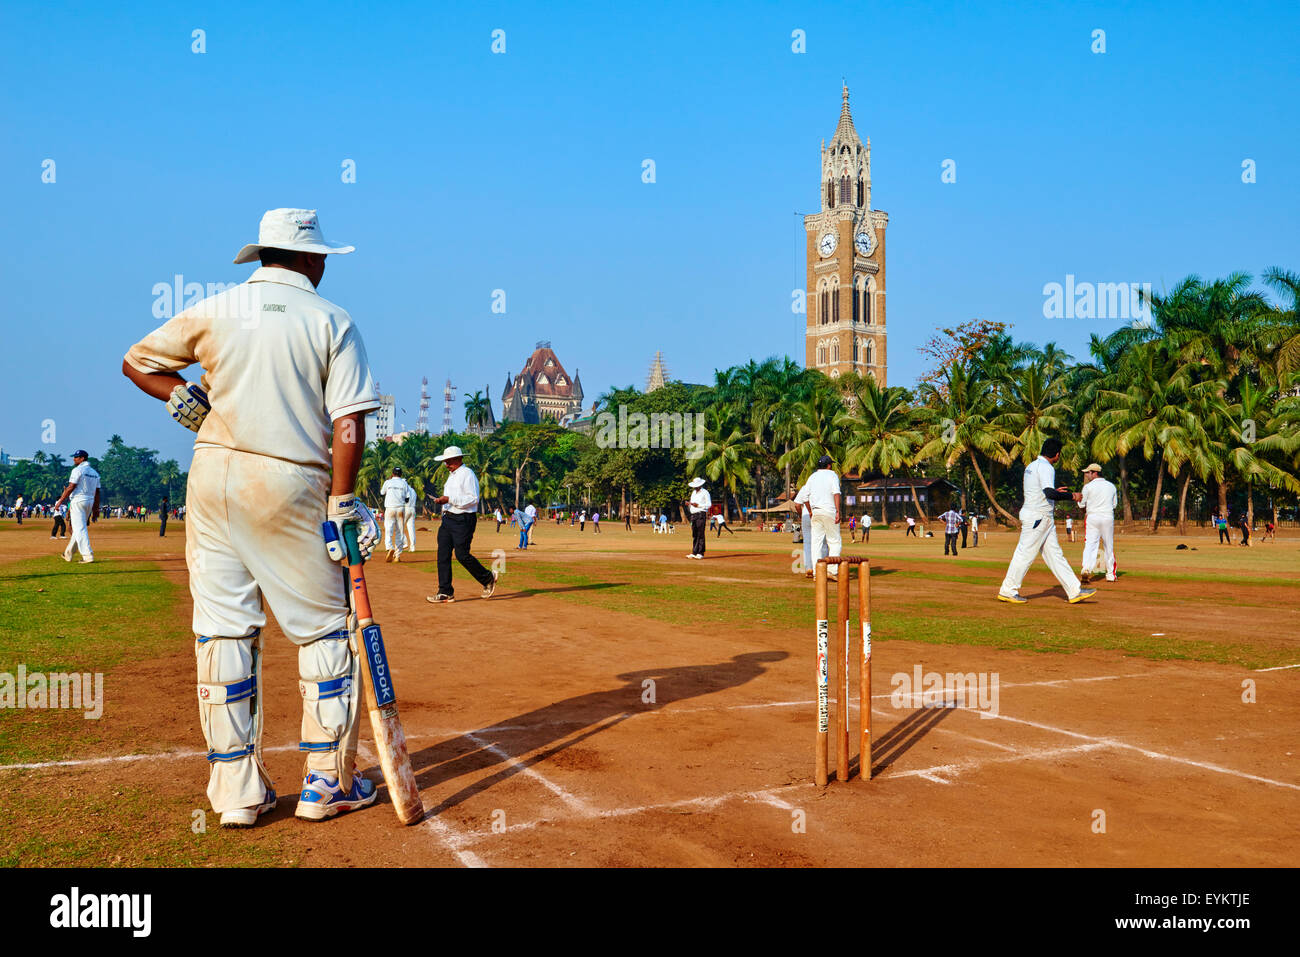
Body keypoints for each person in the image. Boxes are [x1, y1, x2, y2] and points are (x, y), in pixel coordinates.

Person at [122, 207, 381, 826]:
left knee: (223, 630)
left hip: (212, 476)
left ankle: (236, 792)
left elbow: (136, 361)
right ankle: (326, 782)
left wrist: (180, 395)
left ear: (262, 255)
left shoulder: (217, 307)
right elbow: (349, 420)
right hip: (288, 478)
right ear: (311, 258)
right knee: (324, 630)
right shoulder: (331, 319)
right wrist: (343, 500)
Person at [997, 438, 1095, 604]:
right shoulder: (1046, 467)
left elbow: (1041, 490)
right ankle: (1007, 590)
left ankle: (1074, 590)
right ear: (1056, 455)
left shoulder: (1032, 466)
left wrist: (1056, 492)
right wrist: (1072, 496)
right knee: (1024, 554)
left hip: (1040, 516)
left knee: (1055, 556)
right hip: (1038, 517)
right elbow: (1049, 493)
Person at [426, 445, 497, 603]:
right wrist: (443, 502)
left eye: (449, 461)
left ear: (459, 459)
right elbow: (451, 498)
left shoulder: (467, 474)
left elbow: (473, 499)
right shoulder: (451, 476)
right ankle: (445, 591)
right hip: (448, 518)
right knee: (442, 554)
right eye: (445, 462)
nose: (446, 465)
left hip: (463, 519)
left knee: (462, 555)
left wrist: (449, 499)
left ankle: (487, 578)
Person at [52, 451, 100, 563]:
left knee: (80, 529)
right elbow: (97, 493)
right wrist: (95, 509)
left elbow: (71, 487)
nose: (74, 459)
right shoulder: (95, 473)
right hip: (89, 501)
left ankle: (88, 556)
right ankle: (68, 553)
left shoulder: (77, 470)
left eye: (76, 457)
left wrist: (60, 501)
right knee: (79, 528)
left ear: (82, 458)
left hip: (78, 500)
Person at [1078, 463, 1118, 583]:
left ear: (1094, 473)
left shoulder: (1088, 487)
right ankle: (1110, 574)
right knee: (1108, 545)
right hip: (1107, 516)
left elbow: (1081, 505)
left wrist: (1087, 511)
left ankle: (1086, 568)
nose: (1086, 475)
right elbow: (1114, 505)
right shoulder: (1111, 486)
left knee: (1090, 544)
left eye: (1088, 472)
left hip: (1092, 517)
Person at [805, 455, 842, 576]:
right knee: (834, 541)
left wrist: (810, 511)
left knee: (816, 543)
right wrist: (838, 511)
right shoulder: (832, 475)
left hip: (816, 512)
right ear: (829, 465)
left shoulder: (812, 477)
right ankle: (832, 570)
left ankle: (817, 573)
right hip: (829, 511)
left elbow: (805, 497)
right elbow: (836, 493)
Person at [380, 467, 412, 563]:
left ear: (392, 473)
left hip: (390, 508)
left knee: (388, 529)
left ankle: (389, 547)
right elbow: (407, 498)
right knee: (400, 532)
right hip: (400, 509)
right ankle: (397, 556)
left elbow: (382, 493)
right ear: (401, 474)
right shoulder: (404, 483)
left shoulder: (388, 482)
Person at [686, 478, 711, 559]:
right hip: (693, 515)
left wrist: (699, 505)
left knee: (700, 533)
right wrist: (689, 504)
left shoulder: (705, 492)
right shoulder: (693, 492)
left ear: (700, 485)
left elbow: (709, 504)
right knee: (695, 534)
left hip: (700, 514)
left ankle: (700, 553)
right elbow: (692, 503)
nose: (695, 487)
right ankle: (694, 552)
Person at [403, 483, 418, 553]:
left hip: (406, 508)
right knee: (411, 528)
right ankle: (413, 547)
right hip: (413, 509)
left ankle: (405, 542)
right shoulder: (413, 490)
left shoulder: (405, 490)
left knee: (399, 526)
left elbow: (406, 500)